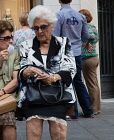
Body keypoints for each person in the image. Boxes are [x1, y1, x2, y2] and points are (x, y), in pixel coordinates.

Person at [18, 5, 76, 140]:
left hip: (58, 93)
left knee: (58, 131)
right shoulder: (25, 46)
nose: (39, 31)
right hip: (33, 95)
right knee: (33, 129)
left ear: (52, 26)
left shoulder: (63, 43)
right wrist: (27, 71)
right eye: (36, 28)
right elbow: (21, 70)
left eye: (43, 27)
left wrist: (53, 77)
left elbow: (71, 69)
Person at [52, 0, 94, 120]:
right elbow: (86, 35)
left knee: (67, 81)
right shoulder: (80, 16)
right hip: (77, 52)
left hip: (65, 52)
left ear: (59, 1)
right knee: (78, 81)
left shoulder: (58, 16)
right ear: (71, 1)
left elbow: (55, 36)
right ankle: (88, 110)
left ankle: (73, 112)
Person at [79, 9, 100, 115]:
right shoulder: (93, 27)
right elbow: (96, 38)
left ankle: (94, 108)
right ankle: (97, 107)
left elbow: (89, 36)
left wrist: (86, 42)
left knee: (91, 84)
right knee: (94, 83)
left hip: (87, 58)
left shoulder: (85, 28)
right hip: (94, 57)